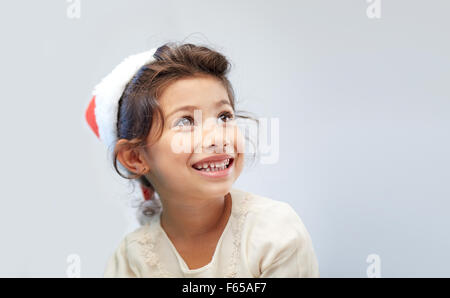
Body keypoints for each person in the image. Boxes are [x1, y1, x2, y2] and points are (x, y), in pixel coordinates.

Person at [85, 42, 319, 277]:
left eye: (224, 116)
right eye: (186, 121)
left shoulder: (274, 232)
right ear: (135, 157)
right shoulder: (130, 259)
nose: (217, 137)